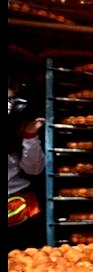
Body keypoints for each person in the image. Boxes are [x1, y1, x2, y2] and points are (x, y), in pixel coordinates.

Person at [8, 80, 46, 252]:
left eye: (11, 100)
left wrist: (30, 135)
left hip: (21, 206)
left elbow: (34, 169)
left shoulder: (17, 128)